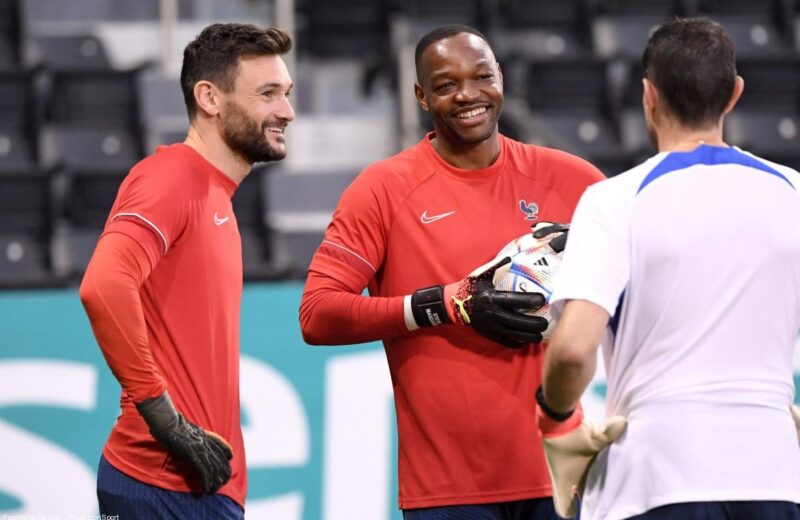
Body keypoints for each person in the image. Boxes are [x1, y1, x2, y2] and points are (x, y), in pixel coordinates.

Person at [300, 24, 604, 519]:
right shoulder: (383, 188)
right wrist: (443, 305)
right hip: (447, 491)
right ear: (421, 96)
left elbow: (649, 290)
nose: (468, 95)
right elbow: (317, 314)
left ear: (501, 78)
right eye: (445, 85)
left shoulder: (574, 181)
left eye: (481, 76)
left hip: (560, 472)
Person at [538, 17, 800, 520]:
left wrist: (554, 416)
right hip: (775, 476)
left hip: (656, 478)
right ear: (734, 94)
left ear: (647, 96)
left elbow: (572, 350)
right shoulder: (791, 191)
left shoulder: (613, 201)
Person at [79, 23, 294, 518]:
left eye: (286, 93)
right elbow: (104, 286)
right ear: (209, 98)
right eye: (268, 94)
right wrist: (165, 420)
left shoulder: (213, 192)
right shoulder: (171, 178)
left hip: (191, 485)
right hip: (162, 484)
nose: (287, 111)